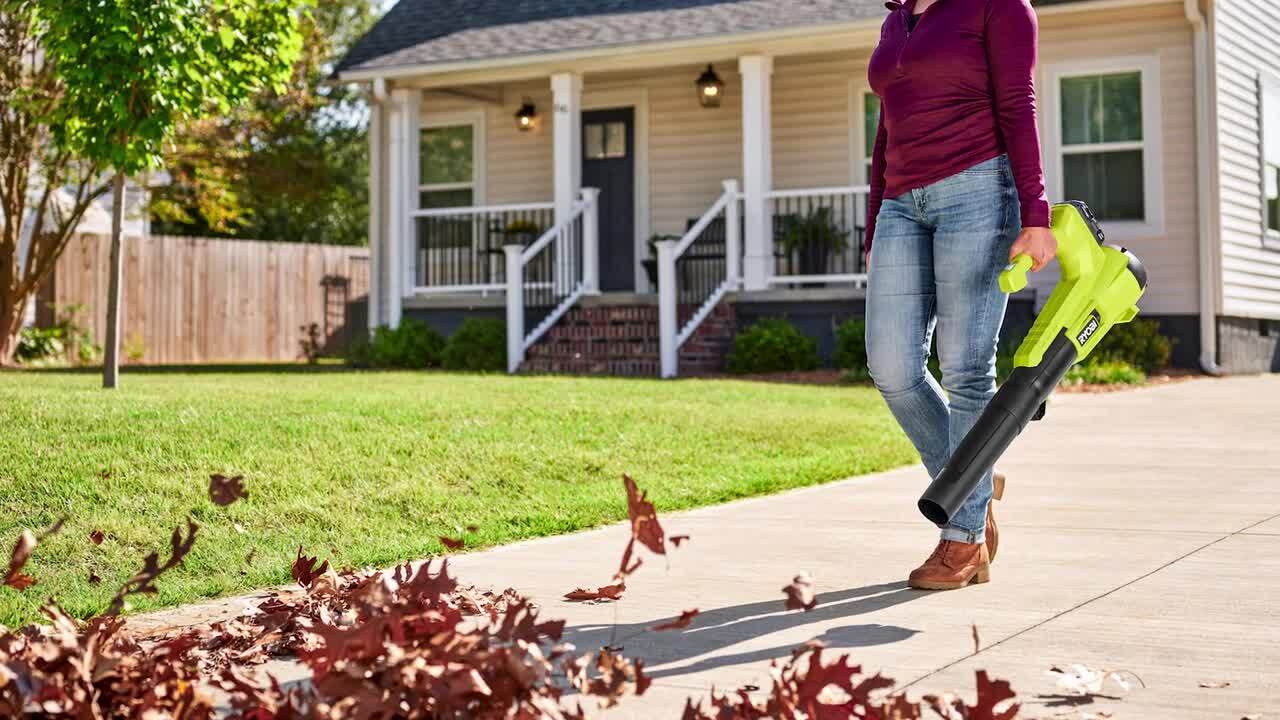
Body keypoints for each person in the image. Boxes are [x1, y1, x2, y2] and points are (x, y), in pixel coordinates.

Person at [863, 0, 1058, 590]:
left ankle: (964, 540)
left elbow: (1018, 107)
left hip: (978, 189)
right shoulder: (897, 17)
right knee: (892, 367)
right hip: (902, 202)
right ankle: (974, 475)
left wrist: (1036, 212)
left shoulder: (1000, 7)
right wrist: (875, 219)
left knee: (967, 369)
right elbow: (886, 125)